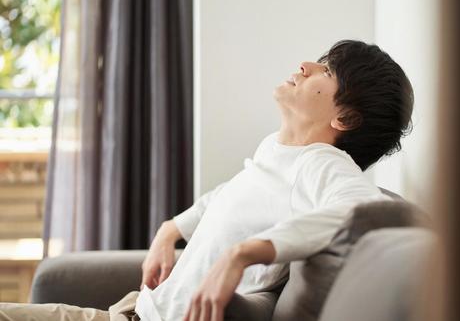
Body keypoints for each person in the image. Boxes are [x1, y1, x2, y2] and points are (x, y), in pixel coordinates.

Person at [0, 40, 414, 321]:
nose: (305, 65)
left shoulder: (321, 165)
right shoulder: (279, 152)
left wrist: (244, 254)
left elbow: (368, 212)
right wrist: (170, 230)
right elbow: (226, 195)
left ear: (344, 118)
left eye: (325, 70)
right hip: (132, 310)